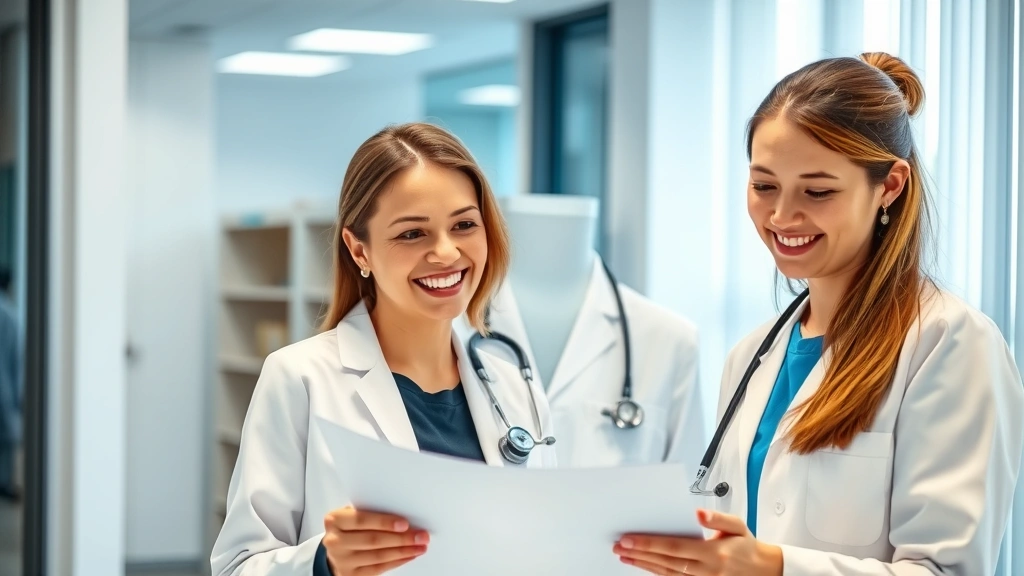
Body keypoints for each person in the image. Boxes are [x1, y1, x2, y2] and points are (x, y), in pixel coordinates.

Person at [614, 52, 1024, 575]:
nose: (782, 216)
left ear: (890, 186)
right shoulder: (752, 357)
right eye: (764, 186)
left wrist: (774, 567)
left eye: (818, 191)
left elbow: (947, 570)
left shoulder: (951, 343)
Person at [211, 123, 557, 576]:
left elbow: (548, 544)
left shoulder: (515, 385)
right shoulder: (300, 377)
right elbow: (237, 566)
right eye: (413, 234)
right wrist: (323, 562)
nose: (447, 252)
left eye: (465, 224)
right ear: (359, 250)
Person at [0, 267, 20, 501]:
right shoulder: (11, 316)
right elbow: (17, 358)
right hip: (5, 386)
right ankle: (5, 484)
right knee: (6, 440)